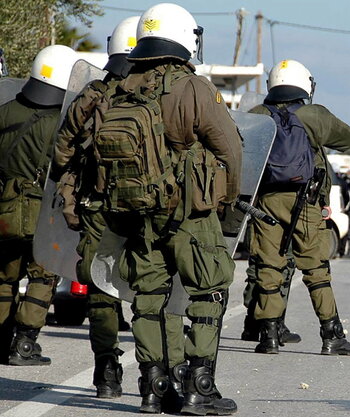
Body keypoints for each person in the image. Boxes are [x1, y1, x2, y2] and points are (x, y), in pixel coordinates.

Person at [95, 4, 242, 413]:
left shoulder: (123, 83)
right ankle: (199, 386)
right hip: (190, 214)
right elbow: (230, 148)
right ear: (184, 37)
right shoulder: (193, 87)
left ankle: (153, 387)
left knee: (148, 297)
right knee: (208, 291)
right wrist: (225, 201)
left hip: (138, 212)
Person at [51, 16, 185, 400]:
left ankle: (106, 371)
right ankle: (152, 377)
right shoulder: (161, 92)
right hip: (149, 208)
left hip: (97, 207)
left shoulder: (93, 93)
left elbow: (62, 151)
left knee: (100, 289)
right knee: (151, 290)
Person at [247, 59, 350, 359]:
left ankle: (269, 335)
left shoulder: (258, 114)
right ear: (304, 84)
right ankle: (331, 335)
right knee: (316, 269)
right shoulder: (313, 115)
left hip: (266, 201)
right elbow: (347, 139)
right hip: (306, 202)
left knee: (268, 267)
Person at [0, 45, 77, 367]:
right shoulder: (62, 123)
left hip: (4, 210)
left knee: (4, 275)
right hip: (43, 214)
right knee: (43, 275)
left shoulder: (4, 111)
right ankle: (25, 344)